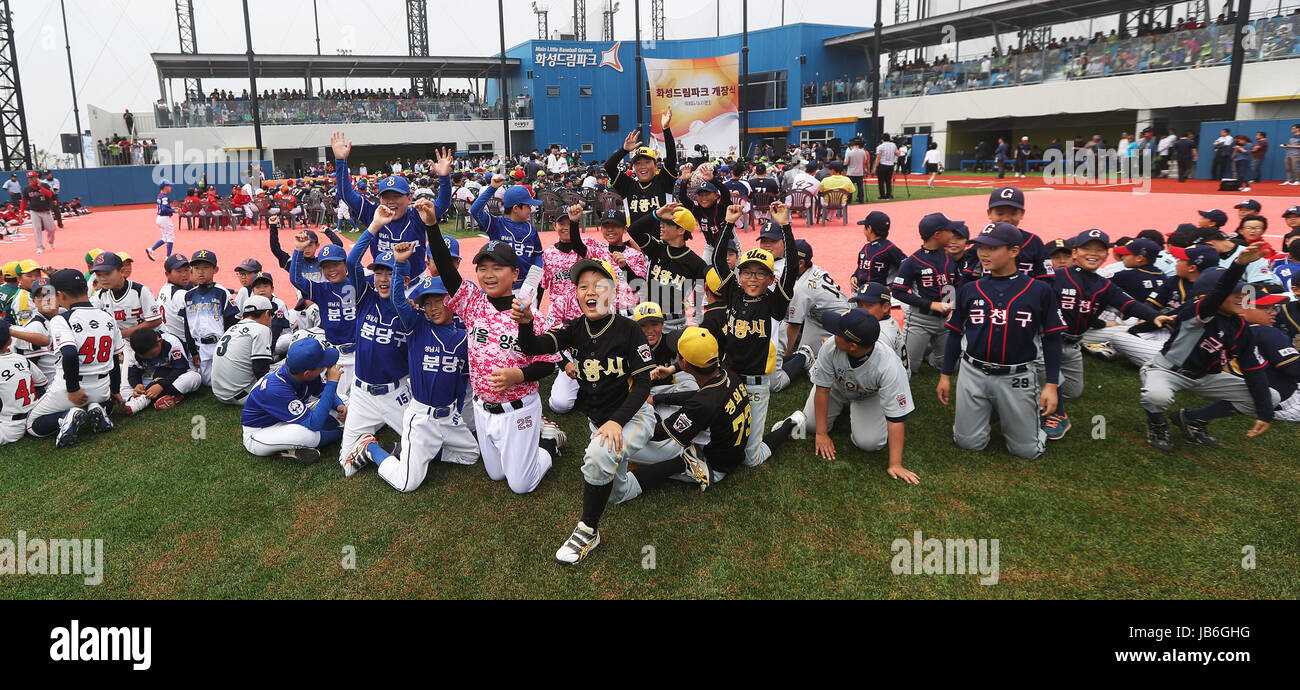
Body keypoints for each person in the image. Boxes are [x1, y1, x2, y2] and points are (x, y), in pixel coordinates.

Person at [511, 258, 658, 565]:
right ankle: (676, 465)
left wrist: (617, 421)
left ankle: (588, 530)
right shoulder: (575, 328)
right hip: (598, 422)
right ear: (576, 294)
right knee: (617, 492)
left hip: (632, 416)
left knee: (598, 457)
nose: (591, 291)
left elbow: (643, 384)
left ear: (613, 292)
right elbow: (532, 348)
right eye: (583, 286)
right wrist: (525, 322)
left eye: (599, 285)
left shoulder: (630, 331)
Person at [422, 199, 563, 494]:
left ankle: (549, 440)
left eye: (497, 268)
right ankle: (527, 445)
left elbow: (549, 363)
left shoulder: (532, 316)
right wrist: (432, 226)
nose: (488, 274)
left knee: (521, 484)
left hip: (519, 409)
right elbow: (447, 272)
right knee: (496, 475)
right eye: (482, 267)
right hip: (483, 409)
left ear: (514, 274)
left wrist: (519, 375)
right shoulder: (473, 304)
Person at [346, 252, 479, 492]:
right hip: (421, 415)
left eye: (439, 300)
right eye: (427, 303)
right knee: (407, 484)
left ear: (451, 301)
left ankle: (422, 451)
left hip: (449, 417)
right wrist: (398, 265)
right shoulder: (417, 326)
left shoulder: (463, 338)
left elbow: (463, 383)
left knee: (471, 454)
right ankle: (372, 448)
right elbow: (398, 300)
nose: (433, 307)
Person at [936, 222, 1066, 459]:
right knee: (967, 443)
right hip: (972, 373)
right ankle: (992, 409)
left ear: (1014, 251)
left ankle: (1011, 413)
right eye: (980, 247)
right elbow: (955, 333)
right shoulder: (969, 289)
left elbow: (1053, 339)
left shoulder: (1039, 290)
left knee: (1026, 451)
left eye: (992, 247)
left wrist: (1052, 384)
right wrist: (945, 375)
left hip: (1017, 376)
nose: (984, 253)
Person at [1139, 243, 1276, 451]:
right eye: (1234, 292)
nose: (1241, 296)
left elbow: (1252, 368)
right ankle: (1157, 423)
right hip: (1168, 371)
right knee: (1156, 396)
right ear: (1206, 297)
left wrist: (1265, 414)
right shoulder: (1195, 313)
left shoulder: (1240, 326)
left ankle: (1193, 419)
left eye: (1242, 290)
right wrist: (1238, 265)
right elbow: (1219, 294)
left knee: (1270, 397)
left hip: (1207, 377)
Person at [1037, 229, 1170, 440]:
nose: (1093, 253)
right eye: (1087, 248)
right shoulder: (1056, 277)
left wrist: (1154, 316)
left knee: (1073, 391)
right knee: (1053, 379)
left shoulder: (1105, 285)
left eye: (1099, 250)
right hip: (1046, 342)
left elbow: (1129, 303)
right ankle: (1056, 414)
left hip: (1074, 344)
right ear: (1075, 252)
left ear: (1106, 255)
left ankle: (1039, 389)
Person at [774, 308, 919, 482]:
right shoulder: (831, 346)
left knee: (870, 443)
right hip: (836, 388)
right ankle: (814, 418)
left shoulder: (889, 366)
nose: (833, 334)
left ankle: (853, 413)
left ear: (853, 346)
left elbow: (896, 417)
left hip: (868, 396)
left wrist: (895, 464)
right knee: (811, 426)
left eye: (838, 332)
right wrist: (821, 434)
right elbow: (822, 389)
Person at [711, 202, 799, 467]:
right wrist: (727, 223)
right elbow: (717, 260)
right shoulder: (734, 294)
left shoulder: (775, 303)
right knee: (722, 436)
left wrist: (785, 226)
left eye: (760, 274)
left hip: (757, 385)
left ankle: (791, 423)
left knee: (751, 458)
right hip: (728, 377)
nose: (752, 278)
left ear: (771, 279)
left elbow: (792, 268)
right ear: (739, 275)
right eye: (747, 272)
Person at [334, 207, 415, 476]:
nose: (382, 279)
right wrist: (375, 226)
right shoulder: (365, 299)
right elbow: (352, 262)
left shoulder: (408, 310)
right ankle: (370, 447)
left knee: (427, 451)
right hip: (361, 393)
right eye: (378, 272)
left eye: (389, 273)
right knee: (346, 464)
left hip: (396, 393)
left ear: (403, 279)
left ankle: (386, 440)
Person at [25, 270, 122, 447]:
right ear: (85, 288)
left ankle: (66, 417)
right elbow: (115, 358)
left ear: (60, 295)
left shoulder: (61, 319)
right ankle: (99, 407)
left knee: (32, 424)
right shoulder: (107, 317)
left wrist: (73, 389)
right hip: (101, 389)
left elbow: (69, 354)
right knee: (103, 403)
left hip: (71, 389)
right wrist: (115, 389)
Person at [240, 338, 347, 464]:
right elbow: (314, 424)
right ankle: (342, 431)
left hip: (287, 417)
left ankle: (291, 450)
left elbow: (321, 392)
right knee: (305, 434)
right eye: (322, 366)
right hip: (260, 431)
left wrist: (339, 404)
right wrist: (332, 383)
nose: (325, 367)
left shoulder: (300, 370)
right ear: (307, 373)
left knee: (345, 400)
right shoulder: (276, 389)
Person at [774, 239, 848, 392]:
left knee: (816, 371)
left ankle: (809, 356)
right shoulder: (812, 270)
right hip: (818, 316)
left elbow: (793, 327)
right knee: (803, 350)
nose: (785, 262)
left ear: (800, 263)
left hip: (838, 325)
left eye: (789, 259)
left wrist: (782, 357)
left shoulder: (802, 288)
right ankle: (806, 354)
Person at [288, 237, 357, 398]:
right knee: (340, 402)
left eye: (335, 264)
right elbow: (295, 279)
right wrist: (298, 250)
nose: (331, 269)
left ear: (346, 265)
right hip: (338, 354)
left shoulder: (358, 284)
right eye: (325, 266)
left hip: (363, 351)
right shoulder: (321, 289)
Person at [624, 200, 709, 330]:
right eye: (662, 222)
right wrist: (656, 214)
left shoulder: (697, 264)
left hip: (675, 324)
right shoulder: (656, 249)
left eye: (667, 224)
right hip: (648, 318)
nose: (661, 226)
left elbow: (698, 301)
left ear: (681, 230)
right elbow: (633, 230)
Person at [892, 213, 958, 376]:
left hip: (944, 321)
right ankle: (916, 348)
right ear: (937, 235)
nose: (952, 234)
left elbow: (951, 283)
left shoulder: (949, 258)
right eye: (949, 230)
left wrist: (951, 306)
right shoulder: (912, 262)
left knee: (950, 365)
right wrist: (931, 304)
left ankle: (928, 354)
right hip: (920, 320)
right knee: (908, 368)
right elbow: (898, 291)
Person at [471, 174, 545, 293]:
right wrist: (492, 188)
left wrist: (532, 280)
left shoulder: (531, 230)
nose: (531, 210)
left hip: (523, 288)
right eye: (528, 206)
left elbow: (537, 255)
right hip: (499, 287)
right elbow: (475, 210)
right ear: (516, 208)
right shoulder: (496, 225)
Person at [604, 109, 680, 224]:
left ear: (655, 166)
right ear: (634, 167)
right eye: (638, 163)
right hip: (636, 241)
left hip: (661, 239)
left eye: (647, 162)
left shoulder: (663, 181)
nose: (642, 166)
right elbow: (609, 167)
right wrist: (624, 150)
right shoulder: (628, 186)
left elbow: (671, 159)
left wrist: (666, 129)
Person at [179, 249, 239, 386]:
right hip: (201, 346)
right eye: (197, 268)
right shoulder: (188, 295)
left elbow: (232, 322)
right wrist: (193, 351)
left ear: (215, 270)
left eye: (206, 267)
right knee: (207, 383)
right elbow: (187, 326)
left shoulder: (222, 292)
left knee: (227, 381)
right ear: (191, 270)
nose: (201, 272)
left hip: (220, 344)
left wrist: (230, 346)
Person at [121, 327, 202, 416]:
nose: (150, 358)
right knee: (124, 389)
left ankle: (145, 399)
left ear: (160, 342)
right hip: (156, 378)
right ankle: (169, 396)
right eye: (145, 357)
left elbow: (180, 368)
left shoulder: (171, 342)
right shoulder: (135, 353)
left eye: (152, 354)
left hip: (179, 374)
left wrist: (160, 386)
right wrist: (137, 385)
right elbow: (132, 374)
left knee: (195, 377)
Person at [211, 295, 275, 406]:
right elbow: (260, 369)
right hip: (243, 396)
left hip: (220, 395)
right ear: (266, 313)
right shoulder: (261, 329)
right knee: (286, 368)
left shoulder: (231, 329)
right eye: (271, 315)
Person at [0, 322, 43, 445]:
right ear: (9, 342)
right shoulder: (22, 359)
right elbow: (41, 385)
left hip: (7, 425)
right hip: (32, 416)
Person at [850, 211, 904, 292]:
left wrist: (890, 287)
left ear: (869, 229)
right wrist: (854, 276)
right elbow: (860, 268)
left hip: (877, 299)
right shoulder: (866, 247)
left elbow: (907, 271)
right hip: (861, 293)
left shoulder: (890, 249)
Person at [156, 253, 192, 343]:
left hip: (167, 339)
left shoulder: (164, 288)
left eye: (186, 270)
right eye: (179, 271)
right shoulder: (181, 295)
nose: (184, 274)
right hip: (183, 344)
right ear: (167, 274)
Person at [19, 172, 56, 254]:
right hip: (34, 211)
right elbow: (24, 201)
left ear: (37, 177)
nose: (31, 179)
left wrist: (40, 187)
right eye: (29, 178)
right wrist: (21, 211)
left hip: (46, 210)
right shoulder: (26, 188)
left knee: (51, 229)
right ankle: (40, 247)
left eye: (32, 177)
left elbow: (50, 194)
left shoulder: (45, 185)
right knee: (37, 229)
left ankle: (50, 241)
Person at [146, 181, 176, 261]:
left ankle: (151, 249)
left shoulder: (160, 196)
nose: (171, 187)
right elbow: (164, 208)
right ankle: (168, 257)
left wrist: (172, 210)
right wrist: (174, 211)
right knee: (170, 237)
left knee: (165, 238)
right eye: (169, 186)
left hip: (159, 218)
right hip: (164, 218)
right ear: (165, 187)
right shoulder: (165, 197)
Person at [872, 134, 898, 199]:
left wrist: (875, 167)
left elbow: (878, 158)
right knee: (888, 181)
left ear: (882, 140)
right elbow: (898, 154)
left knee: (881, 181)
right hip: (891, 165)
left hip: (882, 165)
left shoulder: (880, 147)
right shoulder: (893, 145)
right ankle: (888, 195)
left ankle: (882, 196)